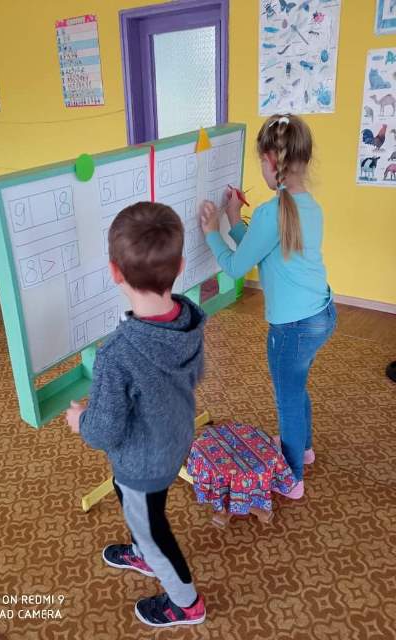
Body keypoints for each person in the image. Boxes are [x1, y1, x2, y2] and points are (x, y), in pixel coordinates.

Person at [66, 202, 206, 628]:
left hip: (144, 460)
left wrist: (80, 420)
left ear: (114, 272)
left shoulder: (117, 353)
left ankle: (186, 603)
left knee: (151, 526)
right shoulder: (188, 319)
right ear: (180, 267)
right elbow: (195, 373)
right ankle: (143, 554)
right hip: (173, 438)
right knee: (140, 501)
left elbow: (103, 432)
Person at [200, 114, 336, 499]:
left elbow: (235, 266)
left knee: (287, 398)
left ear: (269, 161)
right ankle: (303, 449)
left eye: (260, 161)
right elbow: (266, 249)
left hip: (292, 328)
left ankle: (292, 478)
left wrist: (211, 234)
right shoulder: (309, 206)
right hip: (322, 315)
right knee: (297, 384)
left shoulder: (270, 212)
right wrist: (232, 219)